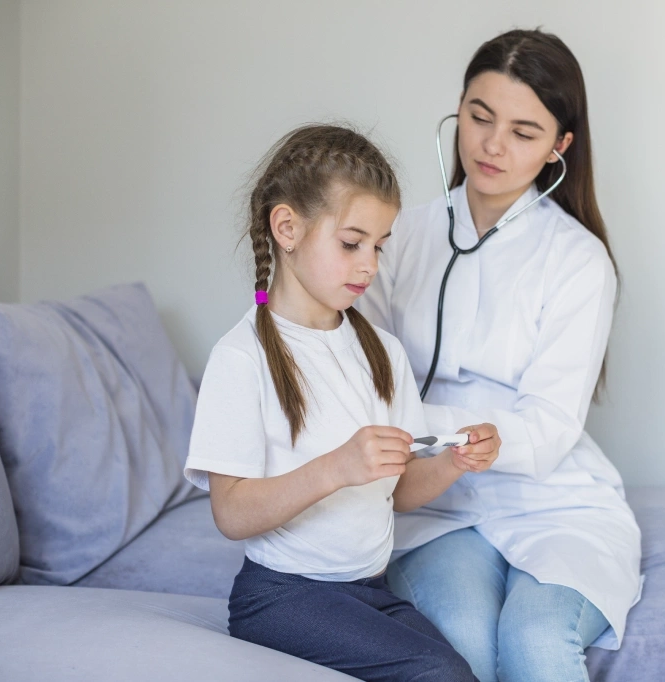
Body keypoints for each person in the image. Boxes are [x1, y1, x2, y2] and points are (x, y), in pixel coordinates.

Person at [357, 29, 643, 682]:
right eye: (479, 117)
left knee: (536, 641)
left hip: (551, 500)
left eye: (523, 131)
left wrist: (481, 436)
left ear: (558, 148)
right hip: (431, 505)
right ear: (457, 110)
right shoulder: (396, 238)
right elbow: (362, 377)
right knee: (461, 642)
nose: (491, 145)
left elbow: (547, 428)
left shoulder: (578, 260)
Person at [183, 124, 500, 682]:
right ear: (287, 228)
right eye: (352, 244)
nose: (369, 265)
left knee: (461, 671)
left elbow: (399, 492)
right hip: (281, 597)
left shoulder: (381, 352)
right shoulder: (242, 358)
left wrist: (454, 460)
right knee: (439, 673)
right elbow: (231, 513)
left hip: (369, 590)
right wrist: (336, 468)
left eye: (378, 246)